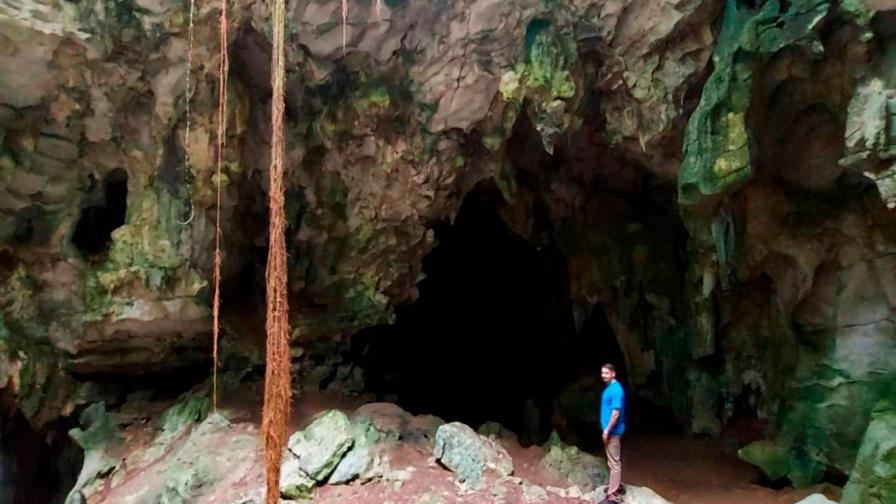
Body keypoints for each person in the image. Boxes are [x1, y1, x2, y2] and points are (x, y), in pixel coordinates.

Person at [600, 363, 626, 503]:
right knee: (612, 460)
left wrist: (607, 430)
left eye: (606, 373)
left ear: (613, 373)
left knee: (614, 462)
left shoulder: (616, 390)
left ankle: (613, 495)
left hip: (613, 431)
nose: (603, 375)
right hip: (612, 431)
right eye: (602, 373)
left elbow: (616, 413)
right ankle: (614, 486)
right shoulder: (611, 388)